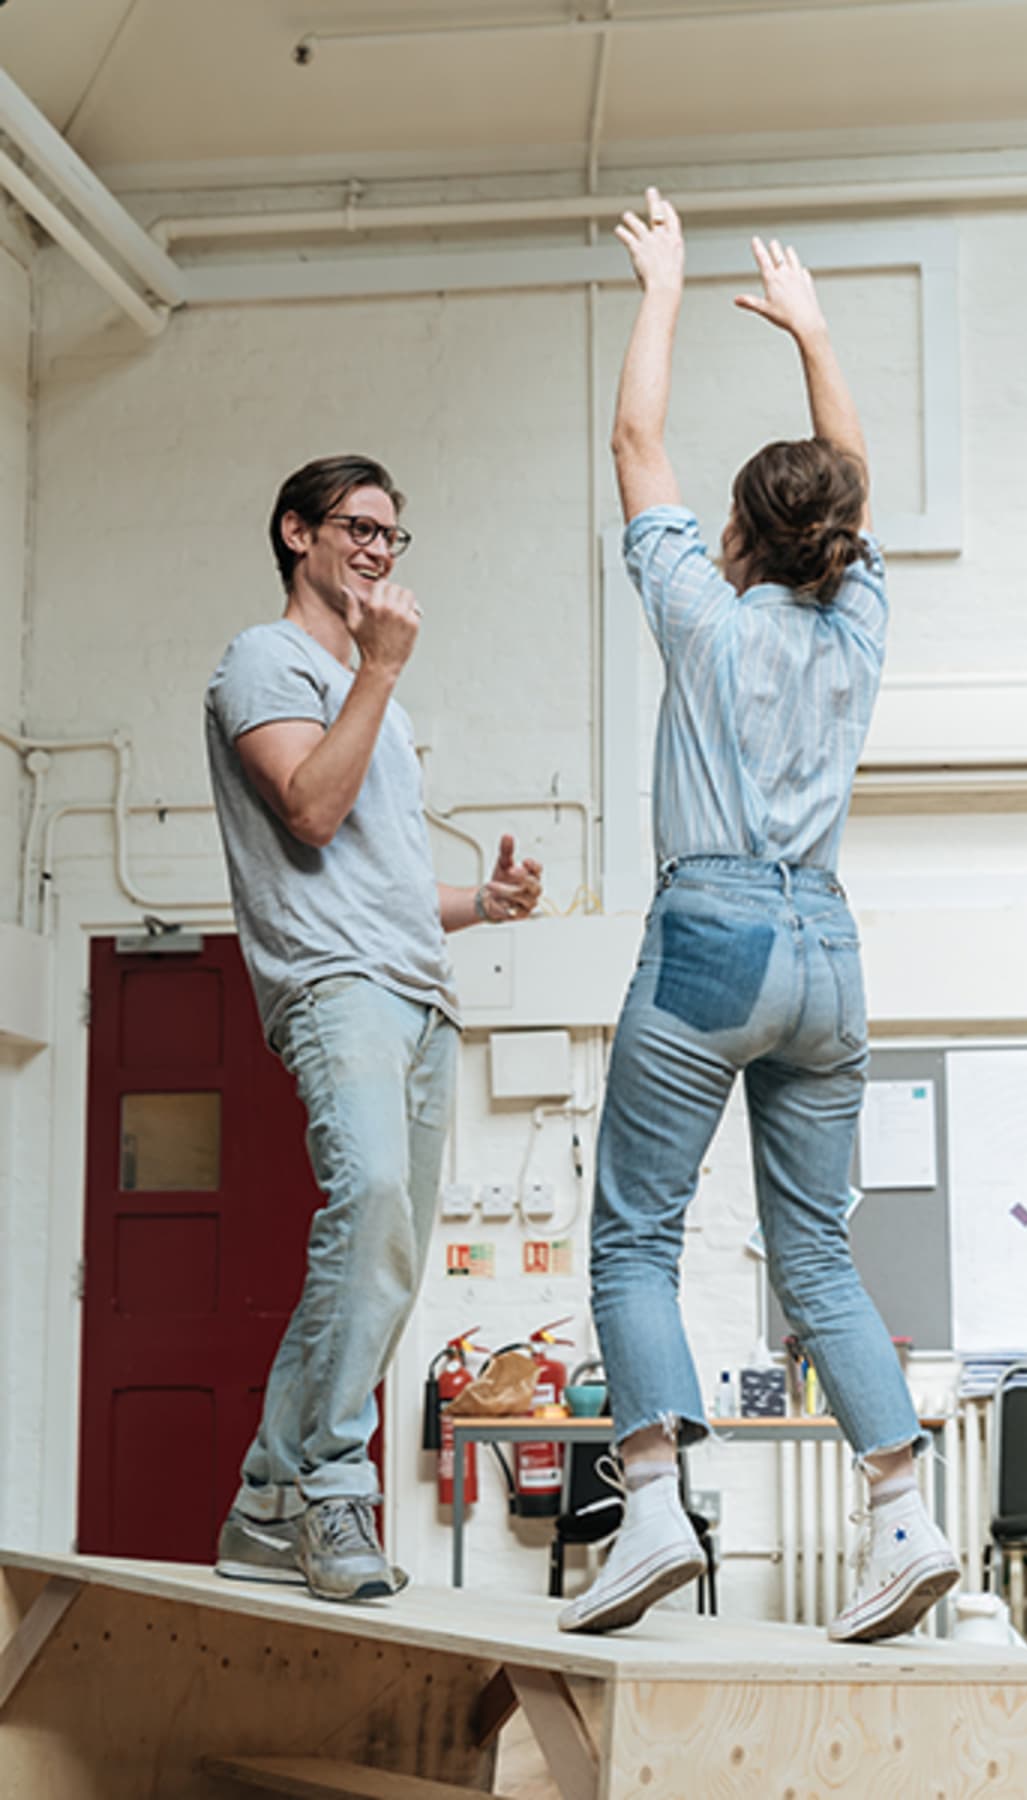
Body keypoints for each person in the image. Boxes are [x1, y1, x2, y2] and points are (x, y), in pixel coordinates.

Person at [559, 191, 959, 1641]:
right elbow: (848, 485)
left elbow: (632, 444)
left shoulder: (704, 615)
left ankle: (653, 1504)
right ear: (835, 538)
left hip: (715, 935)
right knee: (818, 1255)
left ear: (735, 529)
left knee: (633, 1238)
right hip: (831, 954)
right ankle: (902, 1520)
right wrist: (816, 330)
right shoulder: (860, 627)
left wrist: (662, 284)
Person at [205, 454, 541, 1602]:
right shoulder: (269, 660)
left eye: (394, 537)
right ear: (296, 532)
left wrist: (479, 904)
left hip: (419, 988)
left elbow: (383, 876)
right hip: (333, 984)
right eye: (357, 528)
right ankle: (335, 1488)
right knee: (372, 1212)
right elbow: (308, 809)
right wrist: (381, 673)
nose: (377, 551)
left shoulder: (370, 707)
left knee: (384, 1259)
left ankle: (263, 1503)